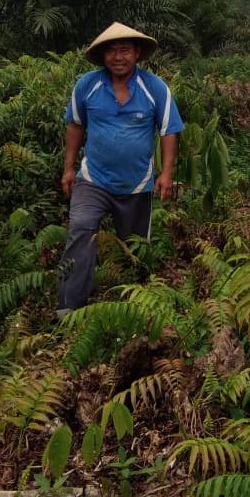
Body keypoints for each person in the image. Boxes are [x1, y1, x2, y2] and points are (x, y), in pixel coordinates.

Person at [56, 22, 184, 316]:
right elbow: (75, 125)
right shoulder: (87, 86)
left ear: (137, 53)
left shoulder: (154, 88)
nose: (118, 57)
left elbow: (168, 131)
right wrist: (69, 168)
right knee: (80, 229)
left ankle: (136, 308)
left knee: (135, 248)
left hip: (137, 185)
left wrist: (166, 173)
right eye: (111, 51)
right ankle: (69, 308)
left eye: (124, 50)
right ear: (102, 56)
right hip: (93, 180)